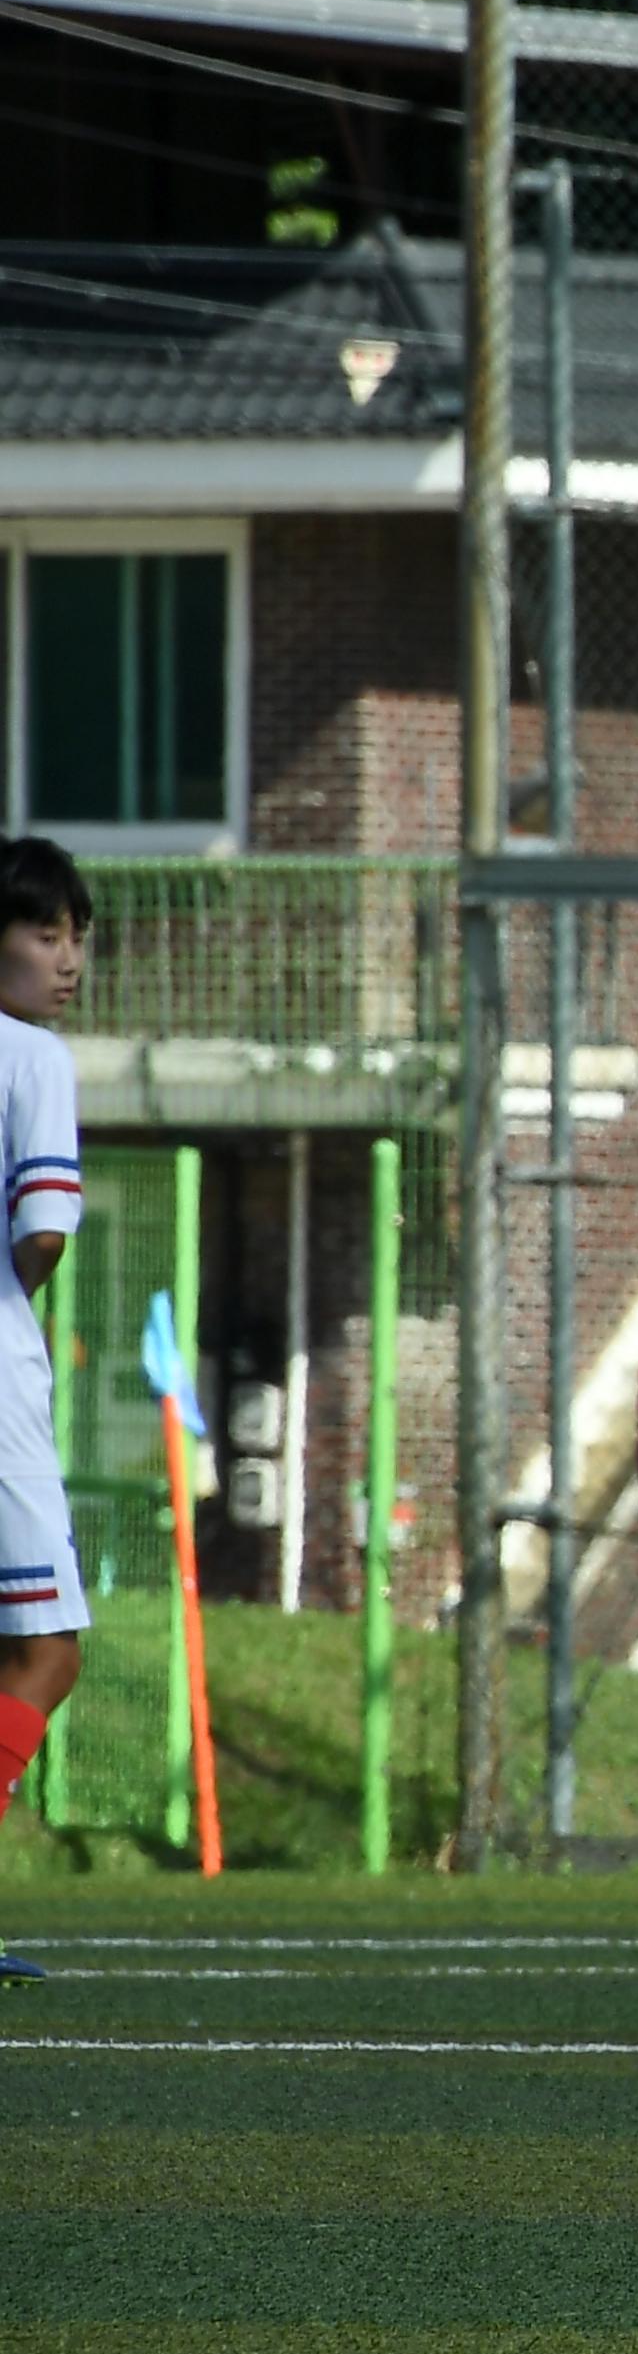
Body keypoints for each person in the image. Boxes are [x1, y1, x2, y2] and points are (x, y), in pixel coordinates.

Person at [0, 839, 80, 1987]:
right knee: (46, 1647)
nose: (69, 959)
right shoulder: (33, 1054)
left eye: (79, 935)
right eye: (46, 933)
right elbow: (44, 1229)